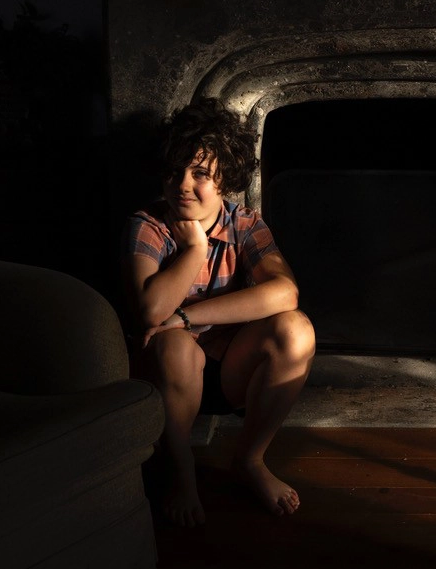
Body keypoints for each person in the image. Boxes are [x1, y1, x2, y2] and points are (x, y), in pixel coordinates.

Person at [122, 97, 315, 527]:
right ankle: (181, 470)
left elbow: (285, 293)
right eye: (174, 171)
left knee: (296, 330)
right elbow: (151, 311)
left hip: (229, 370)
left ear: (225, 178)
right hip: (165, 373)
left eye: (200, 173)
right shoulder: (148, 225)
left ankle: (250, 460)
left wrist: (187, 317)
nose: (183, 185)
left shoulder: (243, 223)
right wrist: (194, 249)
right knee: (174, 345)